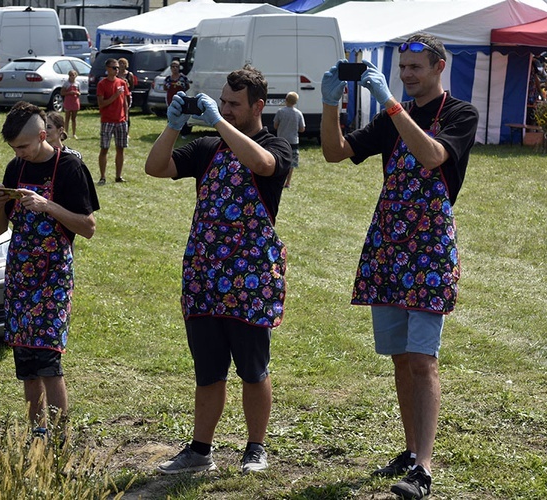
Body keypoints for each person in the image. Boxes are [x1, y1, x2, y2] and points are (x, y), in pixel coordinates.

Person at [320, 33, 478, 499]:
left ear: (438, 68)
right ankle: (410, 452)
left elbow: (431, 157)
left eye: (415, 67)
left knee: (424, 361)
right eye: (402, 68)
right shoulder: (394, 117)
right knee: (400, 358)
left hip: (428, 250)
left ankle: (424, 471)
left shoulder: (459, 114)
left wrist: (389, 103)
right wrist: (331, 104)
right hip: (389, 247)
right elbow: (334, 152)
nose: (406, 75)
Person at [145, 66, 291, 475]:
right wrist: (172, 127)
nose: (225, 108)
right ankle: (199, 450)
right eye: (222, 101)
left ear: (257, 106)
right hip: (204, 276)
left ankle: (255, 448)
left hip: (250, 280)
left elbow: (262, 164)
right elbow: (155, 167)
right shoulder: (207, 147)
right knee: (208, 370)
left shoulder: (275, 145)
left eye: (233, 104)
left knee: (252, 369)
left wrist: (219, 123)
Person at [0, 102, 98, 443]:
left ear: (41, 136)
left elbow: (89, 227)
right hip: (20, 275)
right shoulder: (15, 168)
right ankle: (38, 434)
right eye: (14, 149)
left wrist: (46, 205)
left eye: (23, 146)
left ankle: (62, 438)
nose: (19, 153)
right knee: (26, 361)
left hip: (53, 277)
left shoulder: (69, 168)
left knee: (49, 359)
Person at [97, 58, 130, 185]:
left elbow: (125, 102)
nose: (117, 70)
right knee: (104, 149)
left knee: (120, 149)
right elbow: (101, 104)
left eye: (118, 68)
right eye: (114, 68)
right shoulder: (102, 84)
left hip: (121, 121)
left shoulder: (122, 82)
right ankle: (102, 176)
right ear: (108, 69)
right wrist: (115, 96)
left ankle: (118, 176)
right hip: (107, 121)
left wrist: (126, 117)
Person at [273, 91, 305, 188]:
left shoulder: (280, 112)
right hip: (293, 141)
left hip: (281, 140)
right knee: (292, 163)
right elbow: (302, 129)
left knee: (280, 160)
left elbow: (275, 125)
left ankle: (280, 180)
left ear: (286, 100)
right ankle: (288, 182)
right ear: (296, 102)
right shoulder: (298, 113)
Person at [60, 70, 81, 139]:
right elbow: (62, 93)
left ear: (76, 76)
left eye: (73, 75)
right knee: (67, 118)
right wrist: (69, 93)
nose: (72, 77)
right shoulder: (66, 84)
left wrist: (77, 93)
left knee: (74, 118)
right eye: (70, 75)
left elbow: (79, 92)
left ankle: (74, 133)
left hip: (75, 101)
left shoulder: (77, 84)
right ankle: (66, 133)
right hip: (68, 101)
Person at [117, 57, 136, 132]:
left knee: (126, 111)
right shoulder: (116, 74)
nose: (121, 65)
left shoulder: (129, 74)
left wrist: (126, 85)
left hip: (126, 94)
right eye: (120, 63)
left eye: (123, 63)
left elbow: (132, 86)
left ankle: (126, 130)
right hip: (118, 95)